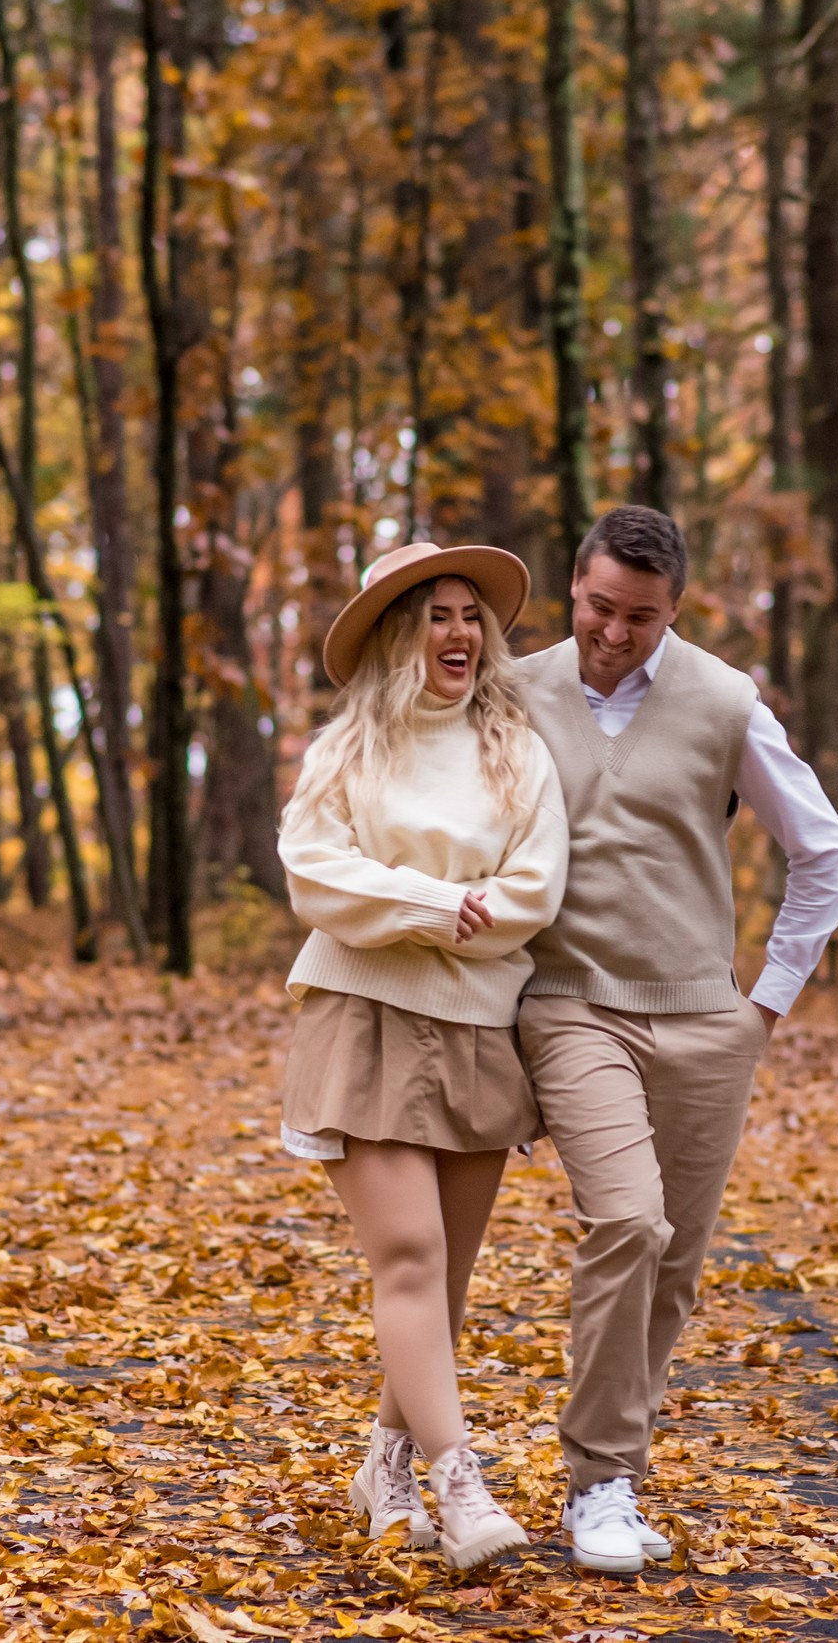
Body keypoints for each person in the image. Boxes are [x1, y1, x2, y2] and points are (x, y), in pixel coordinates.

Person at [516, 506, 838, 1574]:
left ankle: (612, 1477)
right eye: (599, 608)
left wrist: (766, 1002)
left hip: (708, 1019)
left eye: (642, 618)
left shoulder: (723, 701)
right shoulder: (513, 694)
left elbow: (821, 849)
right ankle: (596, 1480)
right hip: (570, 1004)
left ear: (675, 611)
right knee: (627, 1220)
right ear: (574, 588)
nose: (614, 633)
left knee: (674, 1264)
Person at [276, 541, 571, 1571]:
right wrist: (436, 903)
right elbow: (316, 877)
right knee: (406, 1257)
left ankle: (384, 1466)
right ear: (398, 633)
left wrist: (435, 915)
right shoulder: (345, 753)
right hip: (363, 1016)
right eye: (436, 614)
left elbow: (533, 891)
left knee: (444, 1284)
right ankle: (460, 1482)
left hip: (482, 1030)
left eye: (469, 614)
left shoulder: (516, 752)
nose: (459, 632)